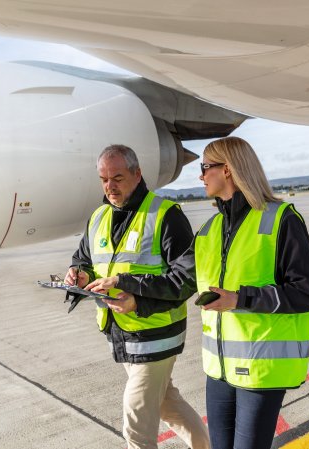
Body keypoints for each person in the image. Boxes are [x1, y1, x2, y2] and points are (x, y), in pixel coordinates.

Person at [90, 136, 309, 449]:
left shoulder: (280, 220)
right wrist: (129, 289)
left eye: (205, 168)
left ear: (227, 170)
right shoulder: (211, 229)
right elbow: (177, 282)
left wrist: (240, 299)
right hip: (220, 371)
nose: (200, 176)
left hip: (261, 369)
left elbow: (307, 292)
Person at [64, 144, 209, 449]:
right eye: (104, 179)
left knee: (136, 423)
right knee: (168, 406)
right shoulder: (99, 216)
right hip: (122, 333)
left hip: (157, 336)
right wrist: (79, 275)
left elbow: (186, 279)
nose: (109, 186)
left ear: (137, 173)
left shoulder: (165, 215)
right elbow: (84, 261)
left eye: (117, 177)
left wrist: (138, 300)